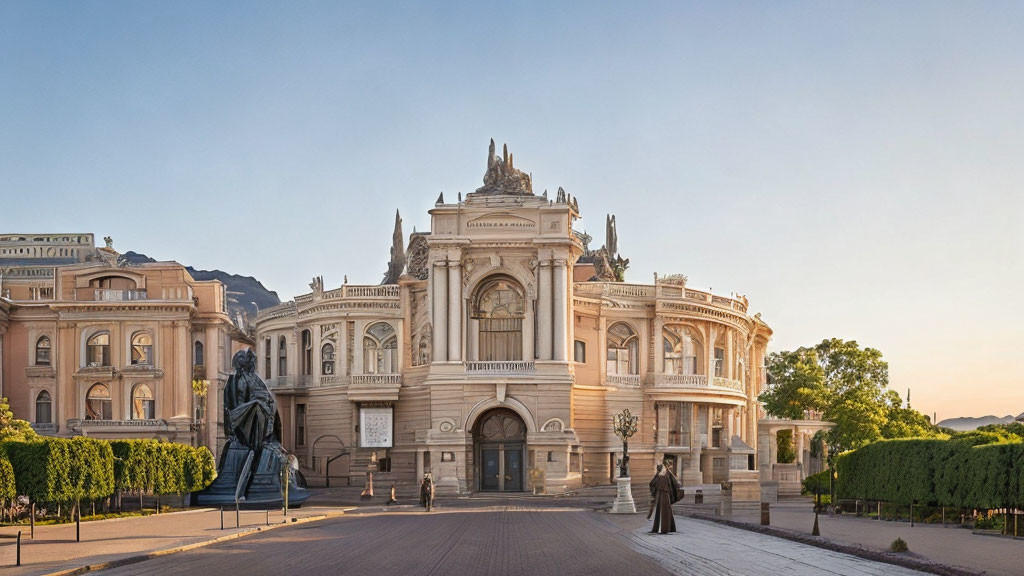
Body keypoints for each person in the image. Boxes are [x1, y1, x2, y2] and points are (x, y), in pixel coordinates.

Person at [648, 463, 681, 534]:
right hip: (662, 495)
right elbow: (652, 483)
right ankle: (661, 528)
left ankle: (664, 528)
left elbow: (674, 484)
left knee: (664, 511)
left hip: (664, 495)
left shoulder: (664, 475)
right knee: (662, 511)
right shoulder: (661, 475)